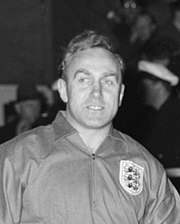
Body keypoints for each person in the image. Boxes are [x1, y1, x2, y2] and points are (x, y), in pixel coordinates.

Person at [0, 30, 180, 223]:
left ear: (120, 94)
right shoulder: (17, 159)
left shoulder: (146, 167)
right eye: (84, 80)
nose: (97, 92)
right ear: (63, 90)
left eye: (108, 81)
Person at [137, 60, 180, 191]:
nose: (140, 89)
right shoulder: (155, 115)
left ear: (158, 85)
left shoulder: (174, 115)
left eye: (144, 84)